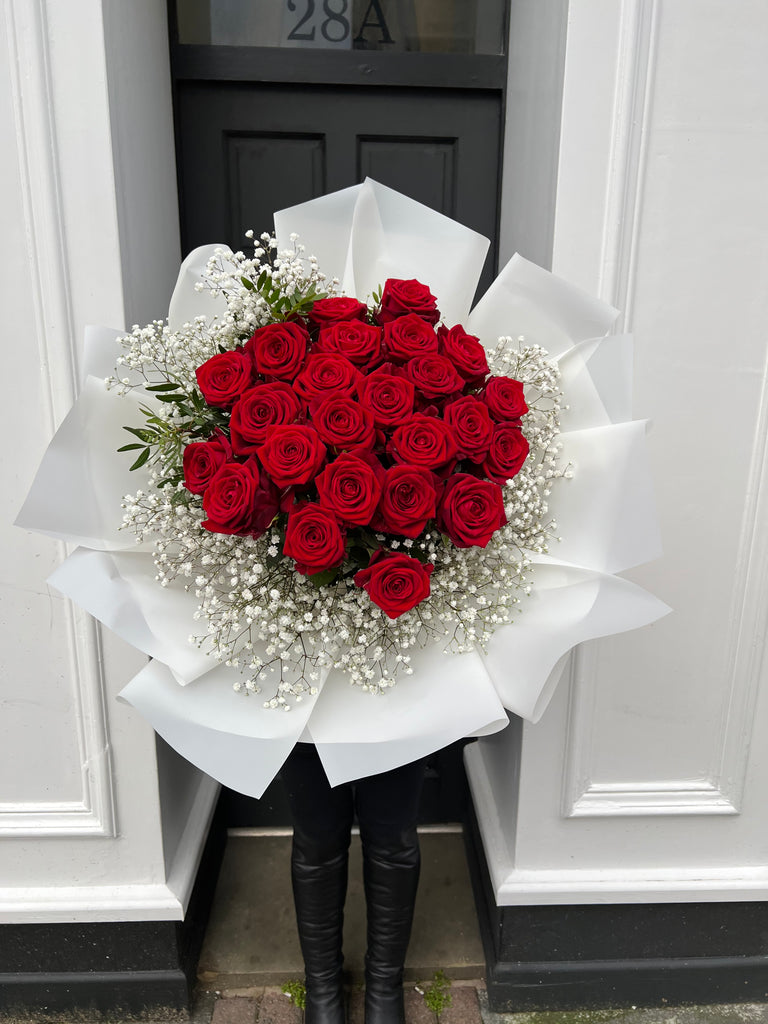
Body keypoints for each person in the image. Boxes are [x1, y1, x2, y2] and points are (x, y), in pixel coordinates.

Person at [281, 743, 427, 1024]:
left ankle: (385, 987)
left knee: (393, 842)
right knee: (316, 843)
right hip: (305, 709)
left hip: (399, 709)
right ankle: (322, 986)